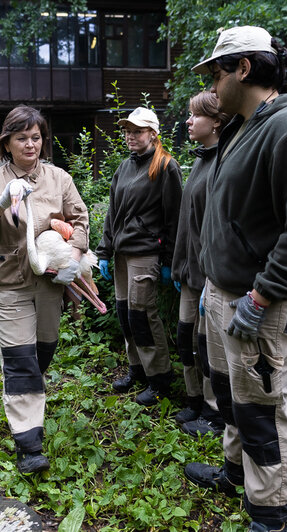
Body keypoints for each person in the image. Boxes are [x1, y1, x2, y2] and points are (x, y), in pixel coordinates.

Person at [184, 26, 287, 532]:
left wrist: (261, 295)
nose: (213, 82)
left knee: (263, 409)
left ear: (244, 68)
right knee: (231, 396)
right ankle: (234, 473)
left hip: (262, 304)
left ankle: (268, 515)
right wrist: (212, 284)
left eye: (217, 71)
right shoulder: (243, 128)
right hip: (225, 293)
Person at [0, 105, 89, 474]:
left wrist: (74, 258)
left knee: (42, 351)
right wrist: (2, 201)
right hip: (7, 283)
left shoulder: (58, 178)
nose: (30, 144)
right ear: (7, 143)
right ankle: (29, 445)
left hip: (49, 283)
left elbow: (80, 218)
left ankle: (27, 389)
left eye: (36, 137)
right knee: (20, 360)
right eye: (22, 138)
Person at [96, 107, 183, 406]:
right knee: (125, 314)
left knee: (143, 316)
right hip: (121, 254)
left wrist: (170, 261)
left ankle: (159, 379)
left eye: (137, 131)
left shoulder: (165, 167)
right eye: (127, 131)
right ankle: (138, 370)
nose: (130, 136)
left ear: (153, 134)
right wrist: (105, 251)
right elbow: (112, 213)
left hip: (146, 253)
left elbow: (174, 219)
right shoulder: (124, 167)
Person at [171, 92, 230, 437]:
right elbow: (187, 222)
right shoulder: (201, 159)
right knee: (185, 338)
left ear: (217, 122)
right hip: (190, 272)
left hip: (210, 276)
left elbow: (217, 227)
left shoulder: (223, 162)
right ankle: (195, 400)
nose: (189, 122)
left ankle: (214, 412)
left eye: (195, 116)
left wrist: (210, 277)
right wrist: (178, 266)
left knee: (209, 347)